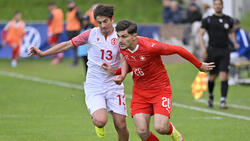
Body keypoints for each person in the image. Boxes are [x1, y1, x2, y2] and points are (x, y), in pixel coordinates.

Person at [29, 4, 129, 141]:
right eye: (99, 22)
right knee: (101, 120)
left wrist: (121, 74)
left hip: (114, 85)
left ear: (112, 19)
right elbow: (68, 44)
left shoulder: (121, 34)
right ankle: (96, 118)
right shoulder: (91, 34)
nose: (102, 25)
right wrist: (43, 53)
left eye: (105, 21)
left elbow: (126, 57)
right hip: (95, 85)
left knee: (121, 125)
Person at [101, 20, 215, 141]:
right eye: (118, 36)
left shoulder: (150, 47)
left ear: (134, 36)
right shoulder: (123, 47)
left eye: (124, 36)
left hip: (160, 90)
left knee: (161, 127)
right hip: (140, 93)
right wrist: (116, 72)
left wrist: (199, 65)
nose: (120, 40)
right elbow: (134, 65)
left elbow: (178, 49)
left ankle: (171, 130)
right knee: (142, 132)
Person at [199, 0, 239, 109]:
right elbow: (201, 34)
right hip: (212, 51)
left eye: (219, 4)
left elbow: (231, 32)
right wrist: (203, 49)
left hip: (224, 51)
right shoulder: (208, 20)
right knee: (212, 77)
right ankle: (211, 96)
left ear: (222, 6)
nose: (218, 6)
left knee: (224, 75)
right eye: (216, 4)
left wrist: (235, 42)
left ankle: (223, 101)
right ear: (213, 6)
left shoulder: (228, 20)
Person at [66, 0, 82, 66]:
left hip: (75, 31)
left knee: (75, 47)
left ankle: (76, 62)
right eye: (69, 4)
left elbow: (81, 19)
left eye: (71, 3)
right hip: (70, 31)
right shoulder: (69, 12)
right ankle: (75, 60)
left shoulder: (76, 11)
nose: (70, 5)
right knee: (73, 47)